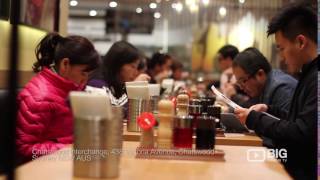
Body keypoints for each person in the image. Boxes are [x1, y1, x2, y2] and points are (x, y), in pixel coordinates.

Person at [235, 3, 317, 179]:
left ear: (301, 42)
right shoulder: (308, 73)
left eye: (281, 48)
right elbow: (298, 120)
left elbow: (301, 133)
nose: (281, 57)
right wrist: (269, 110)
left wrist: (255, 119)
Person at [16, 33, 100, 162]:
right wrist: (70, 150)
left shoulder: (70, 87)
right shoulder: (40, 97)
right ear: (65, 64)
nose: (85, 79)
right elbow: (26, 149)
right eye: (83, 72)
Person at [87, 41, 150, 107]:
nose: (136, 72)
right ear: (118, 63)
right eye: (133, 66)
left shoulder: (116, 84)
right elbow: (115, 112)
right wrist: (134, 89)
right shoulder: (96, 83)